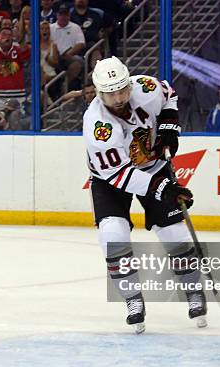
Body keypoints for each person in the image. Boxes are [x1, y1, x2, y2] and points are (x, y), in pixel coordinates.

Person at [82, 56, 207, 334]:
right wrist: (164, 189)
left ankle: (194, 291)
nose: (117, 98)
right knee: (112, 235)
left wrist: (169, 127)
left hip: (154, 164)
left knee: (174, 232)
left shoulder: (146, 87)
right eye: (109, 93)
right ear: (98, 93)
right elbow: (119, 175)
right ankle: (133, 301)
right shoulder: (97, 127)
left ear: (129, 83)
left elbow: (169, 95)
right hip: (110, 179)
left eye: (121, 90)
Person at [0, 27, 29, 128]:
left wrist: (19, 38)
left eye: (9, 35)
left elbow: (28, 54)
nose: (7, 37)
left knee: (17, 127)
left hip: (17, 98)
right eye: (4, 34)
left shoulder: (18, 50)